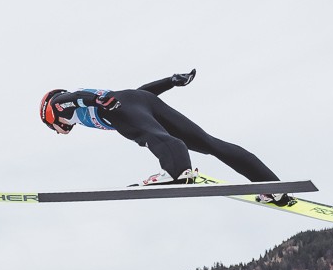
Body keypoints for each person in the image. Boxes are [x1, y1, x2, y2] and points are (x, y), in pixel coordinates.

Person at [39, 69, 293, 205]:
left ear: (50, 118)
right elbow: (137, 94)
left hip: (121, 107)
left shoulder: (59, 106)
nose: (59, 132)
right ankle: (273, 187)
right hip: (142, 101)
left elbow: (74, 98)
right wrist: (170, 81)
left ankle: (177, 171)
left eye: (53, 129)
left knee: (149, 135)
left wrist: (98, 100)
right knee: (209, 143)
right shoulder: (79, 113)